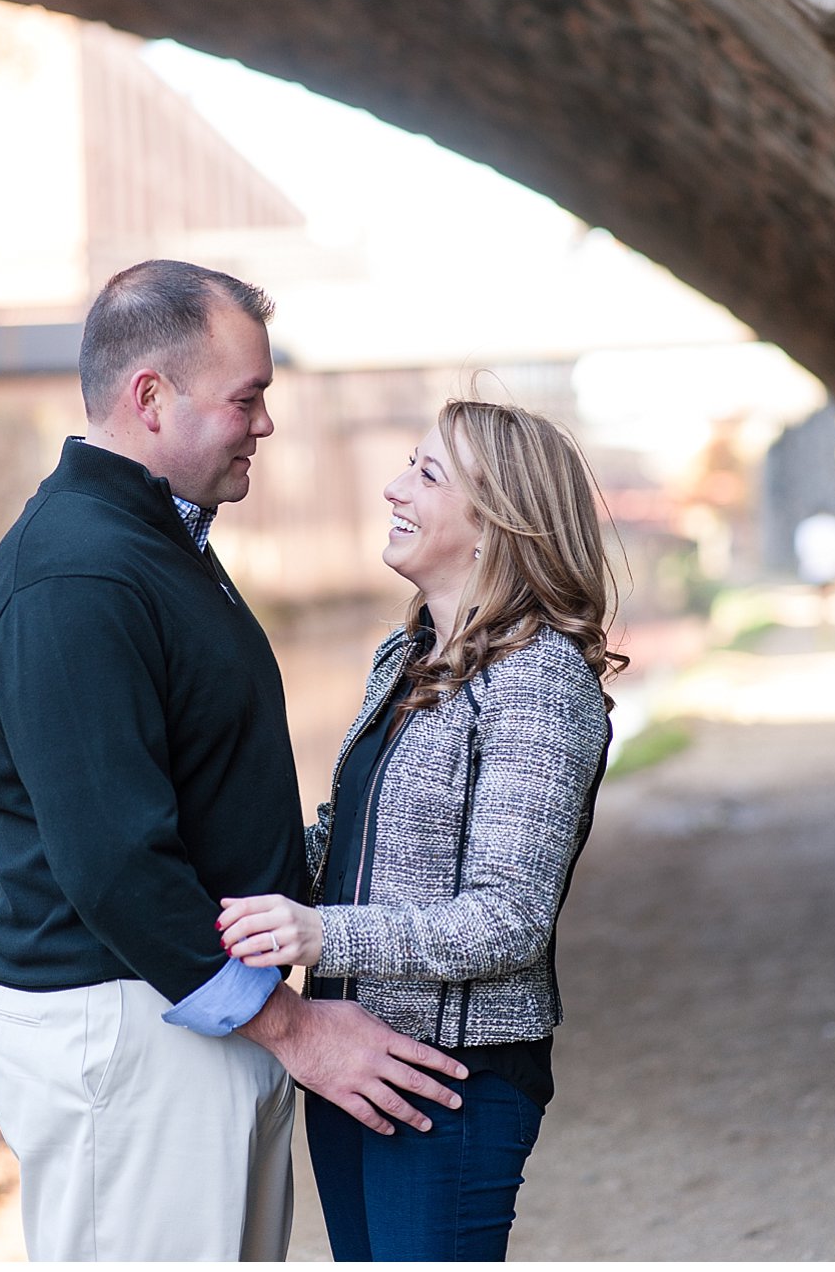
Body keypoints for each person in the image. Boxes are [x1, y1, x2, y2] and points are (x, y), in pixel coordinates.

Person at [0, 259, 467, 1263]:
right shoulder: (77, 573)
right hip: (129, 1029)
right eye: (249, 397)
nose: (265, 423)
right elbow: (114, 865)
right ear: (152, 398)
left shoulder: (155, 544)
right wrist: (292, 1030)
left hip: (186, 1023)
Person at [218, 398, 627, 1261]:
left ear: (498, 527)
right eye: (409, 461)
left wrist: (320, 933)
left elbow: (508, 917)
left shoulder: (541, 681)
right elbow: (348, 838)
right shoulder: (403, 657)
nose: (393, 485)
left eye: (427, 473)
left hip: (453, 1078)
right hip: (351, 1055)